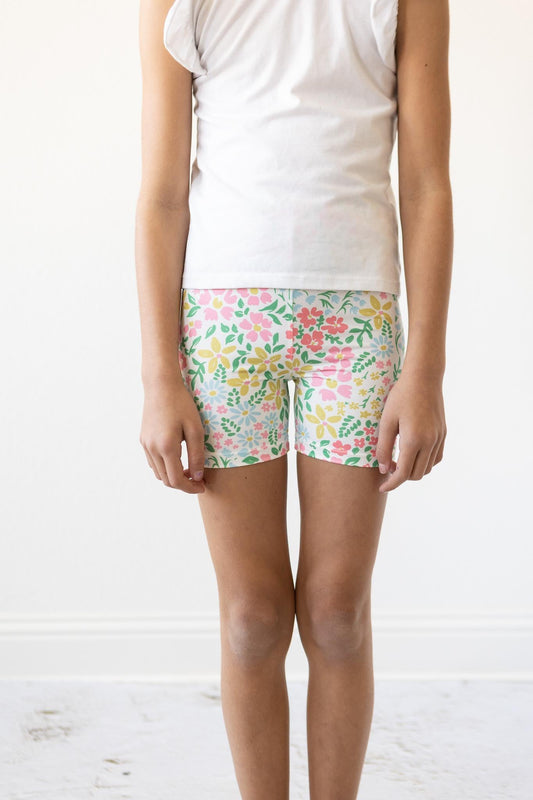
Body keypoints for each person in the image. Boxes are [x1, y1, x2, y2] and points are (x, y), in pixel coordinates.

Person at [135, 0, 452, 796]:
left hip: (355, 325)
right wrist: (159, 377)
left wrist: (424, 371)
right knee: (251, 619)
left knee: (337, 614)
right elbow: (162, 195)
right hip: (222, 328)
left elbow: (425, 184)